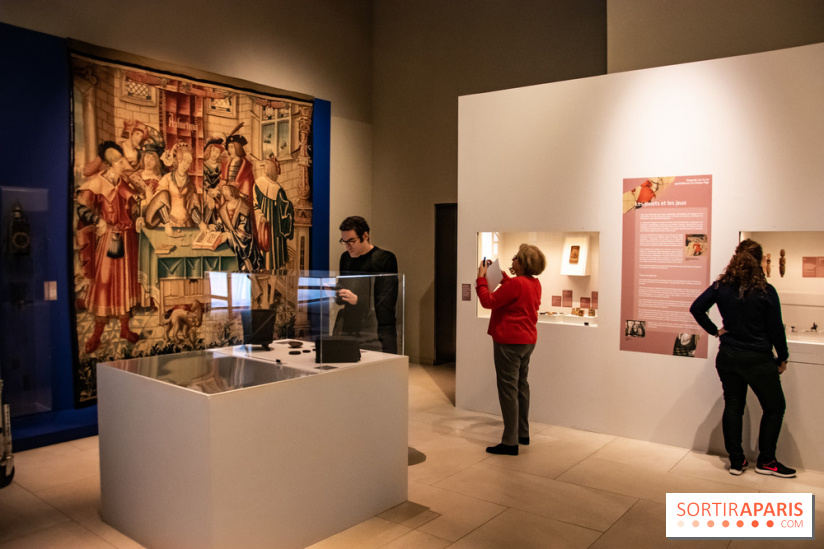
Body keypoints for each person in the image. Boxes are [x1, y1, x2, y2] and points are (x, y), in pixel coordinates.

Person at [689, 239, 795, 478]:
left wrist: (716, 330)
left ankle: (737, 461)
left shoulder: (721, 286)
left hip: (728, 356)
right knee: (775, 407)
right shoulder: (765, 291)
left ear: (736, 257)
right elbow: (776, 329)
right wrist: (783, 357)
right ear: (759, 261)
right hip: (757, 359)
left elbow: (696, 308)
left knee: (734, 406)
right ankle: (766, 461)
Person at [476, 244, 546, 456]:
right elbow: (514, 290)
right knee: (521, 386)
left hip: (509, 342)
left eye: (516, 258)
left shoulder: (516, 285)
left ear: (523, 263)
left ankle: (509, 442)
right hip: (527, 341)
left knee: (508, 391)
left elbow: (488, 301)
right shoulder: (535, 283)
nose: (513, 260)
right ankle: (522, 433)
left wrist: (481, 279)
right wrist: (502, 275)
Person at [76, 141, 142, 353]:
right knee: (104, 284)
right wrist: (98, 221)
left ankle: (125, 328)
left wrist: (139, 216)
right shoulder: (97, 183)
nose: (125, 163)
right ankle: (96, 335)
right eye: (122, 161)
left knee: (125, 284)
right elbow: (81, 207)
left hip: (127, 238)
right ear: (114, 162)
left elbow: (134, 205)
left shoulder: (123, 182)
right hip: (108, 240)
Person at [336, 216, 398, 353]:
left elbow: (387, 299)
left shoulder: (385, 258)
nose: (347, 246)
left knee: (381, 371)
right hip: (351, 325)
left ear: (365, 236)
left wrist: (358, 300)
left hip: (378, 328)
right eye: (344, 241)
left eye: (351, 241)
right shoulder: (345, 258)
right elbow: (342, 290)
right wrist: (336, 293)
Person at [143, 143, 205, 236]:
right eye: (184, 160)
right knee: (163, 194)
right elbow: (160, 201)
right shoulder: (167, 179)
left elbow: (192, 206)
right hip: (167, 225)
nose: (185, 164)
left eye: (188, 162)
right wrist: (167, 226)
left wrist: (201, 223)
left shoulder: (190, 184)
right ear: (178, 159)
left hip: (186, 225)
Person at [254, 157, 294, 270]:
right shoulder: (263, 184)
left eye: (267, 166)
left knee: (269, 253)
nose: (265, 168)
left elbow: (283, 207)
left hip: (268, 226)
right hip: (268, 226)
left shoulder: (273, 187)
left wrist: (260, 215)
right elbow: (285, 209)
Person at [213, 184, 262, 273]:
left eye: (226, 189)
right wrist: (215, 226)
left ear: (233, 190)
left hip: (243, 247)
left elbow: (244, 233)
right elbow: (221, 223)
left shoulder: (244, 207)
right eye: (223, 190)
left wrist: (228, 236)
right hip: (229, 243)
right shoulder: (223, 208)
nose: (224, 192)